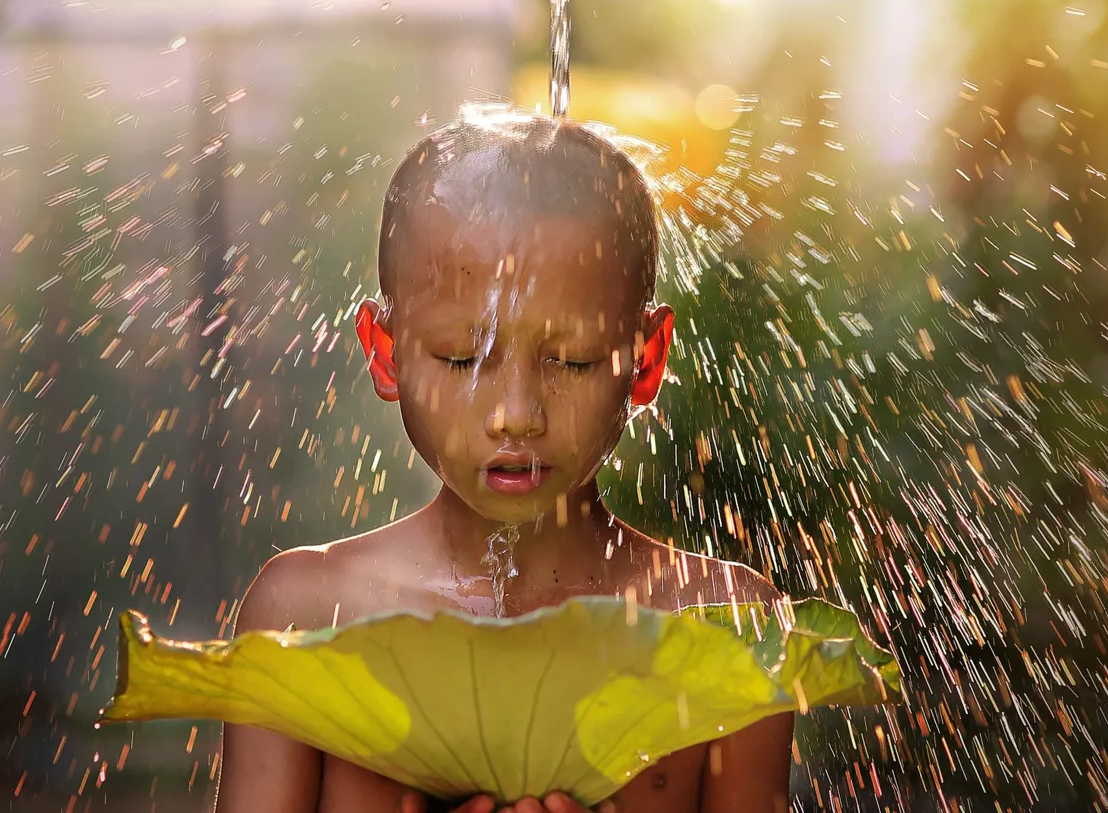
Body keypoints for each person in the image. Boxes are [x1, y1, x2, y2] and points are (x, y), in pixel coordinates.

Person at [215, 109, 793, 813]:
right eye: (462, 358)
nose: (516, 411)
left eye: (572, 360)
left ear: (646, 359)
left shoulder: (723, 626)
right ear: (385, 351)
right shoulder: (306, 617)